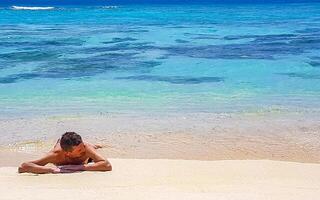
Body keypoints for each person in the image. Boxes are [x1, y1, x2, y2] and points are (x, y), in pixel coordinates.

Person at [18, 132, 112, 174]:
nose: (83, 150)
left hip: (85, 157)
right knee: (59, 146)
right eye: (79, 150)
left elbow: (107, 165)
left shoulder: (86, 148)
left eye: (82, 146)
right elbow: (23, 166)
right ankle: (59, 141)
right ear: (67, 153)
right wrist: (51, 170)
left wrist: (78, 167)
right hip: (62, 149)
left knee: (92, 147)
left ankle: (96, 145)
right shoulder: (56, 155)